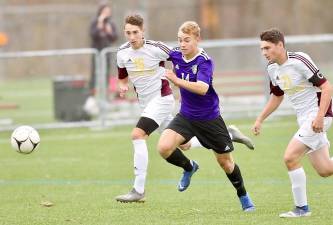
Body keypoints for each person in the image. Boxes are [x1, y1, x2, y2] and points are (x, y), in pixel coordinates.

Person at [114, 15, 254, 203]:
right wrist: (122, 85)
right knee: (180, 146)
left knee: (138, 135)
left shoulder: (195, 58)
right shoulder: (124, 52)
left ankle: (138, 190)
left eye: (135, 32)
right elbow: (122, 75)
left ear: (143, 31)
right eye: (128, 33)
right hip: (169, 110)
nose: (132, 37)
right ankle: (197, 160)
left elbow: (203, 88)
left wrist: (175, 80)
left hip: (166, 101)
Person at [157, 21, 255, 212]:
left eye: (187, 40)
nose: (182, 44)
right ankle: (189, 167)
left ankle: (243, 195)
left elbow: (202, 88)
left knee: (225, 163)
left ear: (197, 39)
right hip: (185, 116)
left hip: (209, 119)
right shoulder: (176, 55)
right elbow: (156, 49)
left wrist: (176, 80)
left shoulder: (204, 61)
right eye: (180, 40)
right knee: (164, 147)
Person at [252, 28, 333, 218]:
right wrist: (260, 118)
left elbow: (326, 86)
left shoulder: (298, 60)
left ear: (280, 45)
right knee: (325, 169)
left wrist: (320, 116)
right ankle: (301, 209)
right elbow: (277, 97)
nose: (264, 53)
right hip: (304, 118)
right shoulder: (272, 68)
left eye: (267, 48)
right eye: (262, 49)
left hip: (319, 114)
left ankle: (301, 209)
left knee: (290, 157)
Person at [89, 2, 118, 96]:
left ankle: (105, 93)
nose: (107, 13)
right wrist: (99, 24)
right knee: (95, 73)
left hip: (107, 52)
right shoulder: (95, 21)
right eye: (105, 11)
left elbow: (114, 37)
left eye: (108, 11)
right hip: (96, 51)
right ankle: (92, 95)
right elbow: (93, 35)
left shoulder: (110, 23)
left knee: (106, 73)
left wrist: (109, 31)